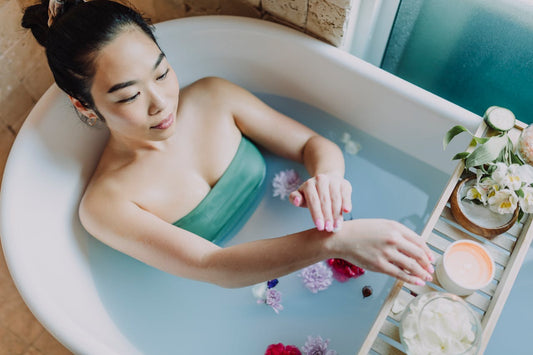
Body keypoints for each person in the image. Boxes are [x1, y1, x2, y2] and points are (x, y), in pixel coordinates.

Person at [22, 0, 434, 288]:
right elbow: (213, 266)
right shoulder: (106, 205)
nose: (161, 102)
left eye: (162, 72)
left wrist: (328, 177)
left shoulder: (213, 98)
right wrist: (338, 241)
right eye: (129, 96)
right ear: (87, 106)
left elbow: (312, 143)